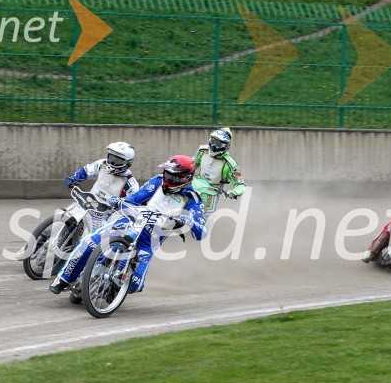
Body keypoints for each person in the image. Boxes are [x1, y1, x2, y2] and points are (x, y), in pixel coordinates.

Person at [50, 155, 207, 298]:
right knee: (89, 243)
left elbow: (201, 232)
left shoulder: (193, 199)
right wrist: (119, 202)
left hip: (149, 239)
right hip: (130, 222)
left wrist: (188, 221)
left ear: (185, 178)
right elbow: (136, 198)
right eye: (167, 173)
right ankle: (63, 279)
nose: (167, 177)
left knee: (135, 284)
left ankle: (115, 288)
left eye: (173, 176)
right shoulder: (157, 181)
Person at [192, 127, 247, 213]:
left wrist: (233, 192)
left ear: (226, 145)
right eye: (213, 142)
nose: (214, 146)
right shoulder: (202, 150)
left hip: (211, 193)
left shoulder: (231, 164)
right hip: (195, 185)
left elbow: (241, 184)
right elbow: (192, 165)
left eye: (218, 144)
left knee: (204, 217)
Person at [64, 142, 139, 204]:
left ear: (127, 162)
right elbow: (86, 170)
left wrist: (120, 201)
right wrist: (74, 178)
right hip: (89, 202)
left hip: (108, 214)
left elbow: (134, 202)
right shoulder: (102, 164)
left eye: (117, 160)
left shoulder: (131, 183)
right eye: (111, 158)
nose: (112, 162)